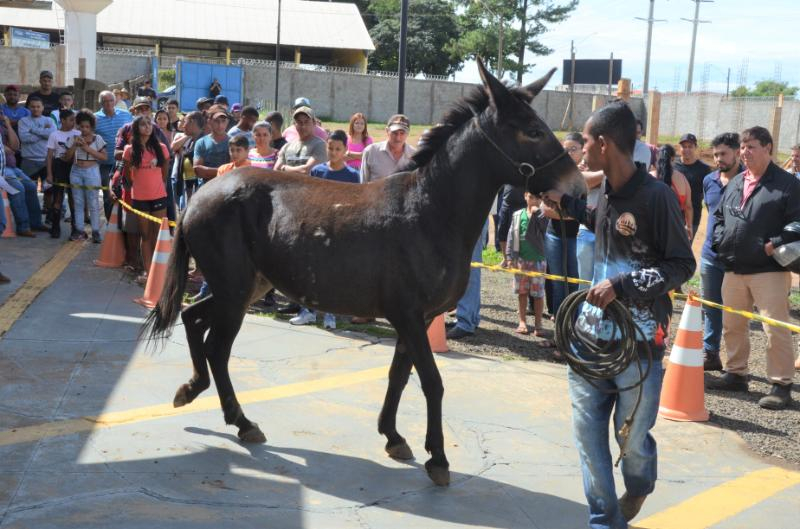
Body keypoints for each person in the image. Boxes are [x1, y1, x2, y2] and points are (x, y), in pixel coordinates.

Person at [542, 101, 695, 529]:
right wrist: (563, 205)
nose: (582, 150)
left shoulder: (657, 196)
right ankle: (605, 521)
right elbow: (599, 222)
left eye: (586, 141)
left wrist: (621, 286)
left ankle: (640, 484)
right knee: (589, 445)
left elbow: (682, 265)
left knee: (631, 444)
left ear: (604, 144)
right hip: (590, 344)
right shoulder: (603, 192)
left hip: (640, 348)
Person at [707, 126, 799, 410]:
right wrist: (721, 239)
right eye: (743, 147)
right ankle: (736, 373)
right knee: (733, 324)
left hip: (768, 269)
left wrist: (775, 242)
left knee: (774, 327)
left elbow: (798, 222)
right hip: (734, 267)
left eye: (752, 147)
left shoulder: (787, 184)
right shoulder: (735, 182)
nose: (745, 152)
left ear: (768, 148)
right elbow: (720, 215)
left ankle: (781, 384)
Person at [700, 132, 742, 372]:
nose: (719, 159)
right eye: (716, 155)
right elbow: (711, 210)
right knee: (711, 307)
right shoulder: (709, 181)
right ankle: (711, 353)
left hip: (738, 260)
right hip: (710, 256)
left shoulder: (750, 180)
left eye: (723, 154)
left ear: (737, 152)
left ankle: (737, 366)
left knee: (736, 314)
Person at [122, 116, 170, 281]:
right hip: (140, 198)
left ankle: (160, 272)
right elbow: (127, 174)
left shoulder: (161, 148)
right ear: (136, 128)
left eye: (149, 124)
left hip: (158, 196)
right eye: (143, 124)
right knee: (145, 235)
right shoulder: (129, 150)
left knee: (158, 234)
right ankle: (148, 272)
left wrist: (156, 184)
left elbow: (165, 172)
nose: (147, 127)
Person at [545, 133, 582, 324]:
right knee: (559, 285)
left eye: (573, 149)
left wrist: (566, 210)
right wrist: (576, 212)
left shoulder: (587, 175)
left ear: (583, 150)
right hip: (555, 236)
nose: (568, 153)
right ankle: (560, 331)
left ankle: (571, 329)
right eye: (565, 149)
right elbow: (546, 210)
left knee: (574, 283)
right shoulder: (556, 173)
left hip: (577, 238)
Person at [505, 191, 549, 339]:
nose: (533, 200)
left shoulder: (544, 214)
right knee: (522, 292)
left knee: (538, 294)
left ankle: (538, 324)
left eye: (536, 198)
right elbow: (511, 236)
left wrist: (538, 213)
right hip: (521, 260)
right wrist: (510, 257)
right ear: (525, 196)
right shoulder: (517, 214)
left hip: (538, 259)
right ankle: (522, 321)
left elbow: (544, 229)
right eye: (531, 197)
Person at [63, 110, 108, 243]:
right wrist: (74, 146)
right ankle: (79, 230)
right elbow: (66, 158)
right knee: (78, 202)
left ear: (92, 127)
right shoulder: (73, 139)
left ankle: (95, 231)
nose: (84, 129)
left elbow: (104, 157)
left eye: (87, 127)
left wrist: (87, 149)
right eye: (81, 126)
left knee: (93, 202)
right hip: (76, 171)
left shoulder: (97, 139)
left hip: (92, 171)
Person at [1, 113, 46, 236]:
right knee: (18, 189)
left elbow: (15, 146)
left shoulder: (3, 127)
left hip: (12, 167)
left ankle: (35, 223)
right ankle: (23, 226)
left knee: (31, 186)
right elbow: (6, 149)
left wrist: (8, 125)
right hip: (2, 169)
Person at [94, 90, 132, 219]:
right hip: (104, 163)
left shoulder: (126, 115)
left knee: (125, 191)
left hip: (123, 162)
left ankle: (124, 222)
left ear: (115, 101)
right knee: (108, 194)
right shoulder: (95, 118)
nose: (109, 103)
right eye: (105, 101)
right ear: (101, 103)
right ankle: (111, 223)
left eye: (111, 100)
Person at [46, 109, 80, 238]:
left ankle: (75, 228)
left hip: (73, 167)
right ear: (63, 120)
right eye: (71, 120)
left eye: (74, 120)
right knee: (58, 197)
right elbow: (49, 156)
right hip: (59, 166)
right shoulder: (54, 135)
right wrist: (49, 174)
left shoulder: (78, 133)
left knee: (73, 198)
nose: (73, 122)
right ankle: (55, 227)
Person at [651, 145, 693, 239]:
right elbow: (688, 206)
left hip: (652, 228)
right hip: (676, 228)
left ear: (657, 157)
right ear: (673, 158)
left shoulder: (649, 177)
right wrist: (689, 226)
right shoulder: (682, 179)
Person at [674, 133, 710, 241]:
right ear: (679, 148)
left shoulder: (704, 169)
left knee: (685, 249)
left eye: (690, 146)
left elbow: (707, 193)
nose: (687, 149)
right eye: (684, 146)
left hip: (693, 216)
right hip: (672, 215)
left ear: (696, 148)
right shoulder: (673, 166)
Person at [360, 114, 416, 184]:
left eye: (402, 133)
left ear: (408, 133)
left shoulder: (414, 155)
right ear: (387, 131)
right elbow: (363, 184)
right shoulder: (371, 151)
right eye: (394, 133)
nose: (398, 138)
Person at [18, 96, 55, 195]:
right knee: (29, 191)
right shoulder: (23, 121)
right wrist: (43, 133)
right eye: (33, 106)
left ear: (42, 107)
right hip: (28, 161)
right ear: (29, 108)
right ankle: (31, 210)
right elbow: (24, 138)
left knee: (49, 190)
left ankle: (48, 209)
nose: (35, 109)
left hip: (46, 161)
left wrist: (33, 130)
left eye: (38, 106)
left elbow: (52, 135)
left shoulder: (49, 120)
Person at [273, 106, 327, 175]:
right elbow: (276, 170)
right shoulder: (286, 147)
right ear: (294, 124)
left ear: (314, 123)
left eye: (306, 122)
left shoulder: (320, 145)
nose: (303, 126)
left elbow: (307, 170)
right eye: (299, 122)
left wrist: (284, 168)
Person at [171, 111, 204, 209]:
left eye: (185, 122)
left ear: (193, 122)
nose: (183, 126)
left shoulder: (203, 142)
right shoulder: (192, 141)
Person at [193, 105, 231, 181]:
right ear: (209, 121)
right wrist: (225, 171)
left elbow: (236, 169)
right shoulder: (201, 143)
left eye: (223, 121)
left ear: (227, 122)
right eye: (217, 121)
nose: (220, 125)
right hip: (206, 189)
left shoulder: (234, 142)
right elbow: (198, 170)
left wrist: (208, 171)